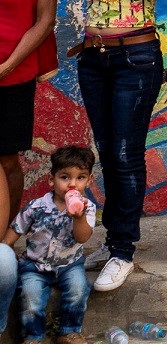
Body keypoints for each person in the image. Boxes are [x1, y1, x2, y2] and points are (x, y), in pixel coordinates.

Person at [40, 0, 167, 292]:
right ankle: (113, 241)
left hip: (136, 59)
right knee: (107, 150)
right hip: (93, 58)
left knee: (125, 152)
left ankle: (122, 249)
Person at [0, 0, 64, 228]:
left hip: (14, 73)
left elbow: (45, 22)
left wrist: (8, 65)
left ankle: (6, 236)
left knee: (7, 157)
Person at [4, 146, 96, 344]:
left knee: (79, 288)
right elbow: (17, 226)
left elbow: (83, 237)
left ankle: (69, 331)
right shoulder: (37, 206)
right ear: (51, 179)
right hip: (35, 265)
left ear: (89, 180)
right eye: (65, 177)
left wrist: (78, 217)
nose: (72, 184)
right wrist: (6, 245)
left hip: (69, 264)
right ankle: (33, 336)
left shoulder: (88, 208)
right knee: (30, 296)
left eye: (80, 178)